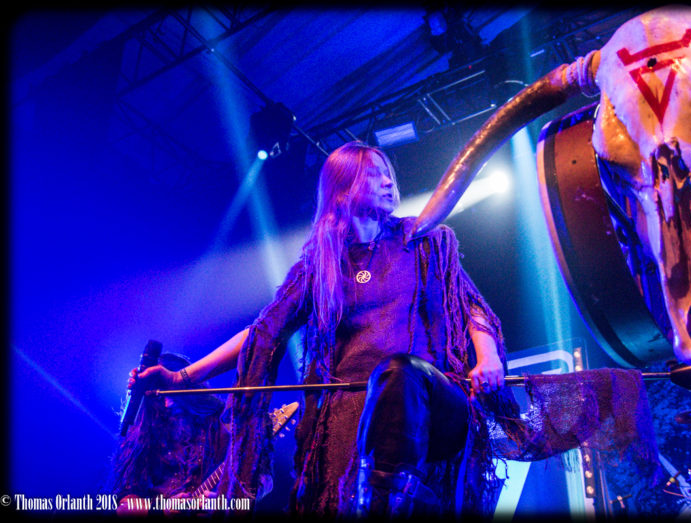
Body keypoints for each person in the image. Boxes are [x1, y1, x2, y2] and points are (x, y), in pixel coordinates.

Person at [130, 141, 659, 518]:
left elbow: (472, 309)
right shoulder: (320, 267)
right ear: (343, 190)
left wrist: (489, 356)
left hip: (435, 403)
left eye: (390, 173)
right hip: (349, 419)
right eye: (376, 173)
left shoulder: (422, 243)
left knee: (401, 372)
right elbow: (261, 333)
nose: (390, 180)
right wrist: (183, 378)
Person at [113, 353, 228, 515]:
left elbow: (260, 480)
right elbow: (123, 507)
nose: (167, 404)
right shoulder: (143, 434)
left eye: (173, 394)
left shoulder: (219, 423)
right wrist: (160, 510)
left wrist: (226, 501)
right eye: (159, 398)